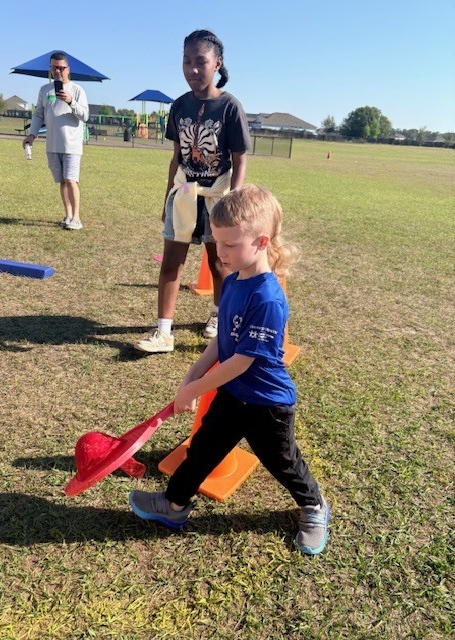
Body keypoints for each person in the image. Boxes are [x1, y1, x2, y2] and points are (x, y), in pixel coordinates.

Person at [130, 185, 330, 556]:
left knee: (282, 462)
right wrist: (194, 370)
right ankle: (174, 506)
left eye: (230, 245)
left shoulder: (267, 297)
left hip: (266, 404)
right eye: (217, 243)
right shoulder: (235, 281)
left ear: (261, 241)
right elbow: (225, 339)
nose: (219, 254)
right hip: (232, 396)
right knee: (202, 451)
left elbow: (242, 361)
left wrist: (195, 390)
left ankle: (314, 507)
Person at [134, 29, 251, 353]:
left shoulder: (230, 106)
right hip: (184, 192)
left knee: (219, 263)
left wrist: (233, 202)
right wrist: (166, 199)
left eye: (200, 61)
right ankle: (163, 333)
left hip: (217, 194)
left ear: (217, 64)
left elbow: (240, 160)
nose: (192, 69)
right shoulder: (179, 106)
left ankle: (216, 316)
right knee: (171, 263)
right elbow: (176, 158)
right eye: (187, 61)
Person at [23, 52, 89, 230]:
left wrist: (71, 101)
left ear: (68, 69)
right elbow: (38, 114)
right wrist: (32, 134)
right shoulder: (45, 90)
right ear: (51, 69)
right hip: (52, 144)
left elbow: (85, 115)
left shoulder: (77, 90)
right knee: (61, 180)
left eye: (62, 68)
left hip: (72, 144)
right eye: (54, 67)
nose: (58, 71)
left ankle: (76, 217)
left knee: (71, 179)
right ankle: (67, 215)